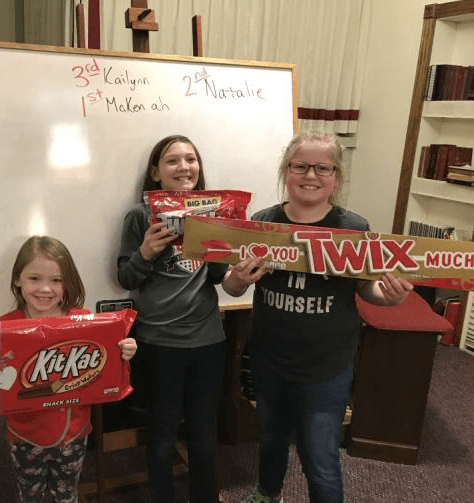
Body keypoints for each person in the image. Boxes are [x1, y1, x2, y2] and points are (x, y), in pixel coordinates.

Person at [222, 132, 413, 503]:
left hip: (326, 367)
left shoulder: (353, 228)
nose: (311, 175)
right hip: (269, 360)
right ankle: (268, 493)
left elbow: (367, 289)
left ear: (336, 178)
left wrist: (388, 297)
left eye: (323, 168)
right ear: (286, 172)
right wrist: (239, 278)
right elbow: (231, 286)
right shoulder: (263, 222)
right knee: (270, 439)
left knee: (320, 458)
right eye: (300, 166)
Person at [0, 235, 137, 503]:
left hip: (74, 435)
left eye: (56, 280)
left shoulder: (83, 320)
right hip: (25, 437)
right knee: (30, 496)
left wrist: (123, 352)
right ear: (18, 279)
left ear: (67, 283)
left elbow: (104, 367)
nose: (45, 289)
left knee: (67, 494)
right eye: (34, 278)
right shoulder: (4, 328)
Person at [117, 135, 229, 503]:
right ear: (155, 172)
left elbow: (216, 277)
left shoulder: (212, 213)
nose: (184, 167)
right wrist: (146, 251)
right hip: (158, 344)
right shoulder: (139, 216)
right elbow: (126, 278)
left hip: (208, 341)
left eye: (190, 159)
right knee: (162, 434)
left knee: (203, 434)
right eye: (172, 160)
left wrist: (222, 247)